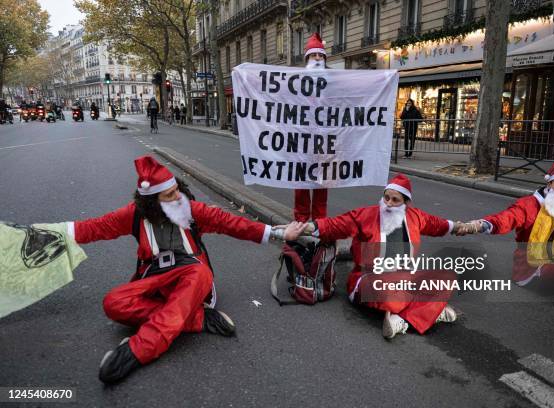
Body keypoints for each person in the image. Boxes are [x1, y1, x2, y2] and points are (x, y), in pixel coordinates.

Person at [67, 155, 304, 383]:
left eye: (176, 190)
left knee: (200, 272)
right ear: (152, 203)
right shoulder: (134, 215)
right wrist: (47, 235)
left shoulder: (192, 211)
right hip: (156, 280)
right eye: (169, 195)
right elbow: (93, 228)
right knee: (113, 303)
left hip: (192, 278)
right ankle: (198, 319)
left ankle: (135, 352)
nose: (178, 198)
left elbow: (233, 224)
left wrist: (279, 233)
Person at [284, 174, 460, 339]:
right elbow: (335, 225)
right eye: (386, 197)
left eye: (395, 200)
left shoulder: (415, 216)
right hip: (367, 279)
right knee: (392, 292)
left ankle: (402, 320)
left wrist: (462, 227)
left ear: (406, 203)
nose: (389, 203)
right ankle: (431, 311)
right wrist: (304, 228)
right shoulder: (367, 215)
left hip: (402, 279)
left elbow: (438, 225)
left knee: (447, 278)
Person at [455, 161, 554, 313]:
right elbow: (505, 219)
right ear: (549, 184)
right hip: (535, 267)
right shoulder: (529, 205)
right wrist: (474, 226)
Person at [293, 32, 329, 222]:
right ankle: (301, 219)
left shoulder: (333, 82)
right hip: (301, 142)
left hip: (324, 143)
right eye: (314, 55)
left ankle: (319, 220)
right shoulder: (296, 81)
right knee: (301, 183)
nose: (317, 58)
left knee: (322, 183)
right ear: (307, 59)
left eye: (320, 55)